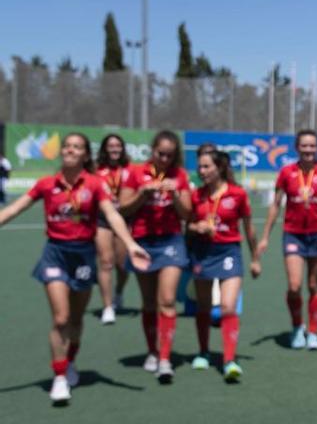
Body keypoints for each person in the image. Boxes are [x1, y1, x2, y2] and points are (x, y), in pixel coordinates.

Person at [0, 132, 149, 404]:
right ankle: (58, 377)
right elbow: (11, 210)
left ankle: (69, 362)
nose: (70, 150)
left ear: (84, 155)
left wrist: (129, 243)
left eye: (76, 147)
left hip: (83, 256)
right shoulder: (46, 184)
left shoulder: (94, 184)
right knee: (60, 318)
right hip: (55, 254)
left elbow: (113, 214)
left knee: (77, 320)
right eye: (67, 146)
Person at [120, 130, 192, 383]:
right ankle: (151, 350)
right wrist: (142, 194)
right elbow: (123, 207)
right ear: (152, 151)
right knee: (149, 302)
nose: (164, 159)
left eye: (170, 156)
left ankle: (164, 358)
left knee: (168, 300)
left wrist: (173, 196)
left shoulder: (180, 175)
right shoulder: (135, 172)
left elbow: (187, 214)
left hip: (171, 241)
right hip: (142, 241)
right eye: (160, 154)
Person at [186, 144, 260, 381]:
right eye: (199, 167)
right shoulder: (196, 195)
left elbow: (249, 228)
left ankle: (229, 360)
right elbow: (187, 225)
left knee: (228, 306)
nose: (202, 171)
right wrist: (196, 227)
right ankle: (203, 352)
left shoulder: (237, 194)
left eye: (207, 166)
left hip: (229, 252)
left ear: (219, 168)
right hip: (202, 252)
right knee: (204, 307)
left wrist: (255, 258)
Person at [255, 130, 317, 351]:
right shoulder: (286, 172)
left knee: (313, 285)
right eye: (304, 146)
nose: (308, 150)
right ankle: (298, 327)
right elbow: (275, 206)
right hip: (293, 234)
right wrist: (265, 237)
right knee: (294, 285)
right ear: (297, 148)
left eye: (312, 146)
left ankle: (314, 332)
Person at [94, 133, 133, 324]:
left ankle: (118, 292)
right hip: (102, 219)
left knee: (122, 264)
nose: (114, 149)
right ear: (104, 148)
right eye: (110, 146)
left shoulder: (130, 169)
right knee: (105, 262)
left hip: (124, 219)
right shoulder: (95, 169)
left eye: (118, 145)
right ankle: (107, 307)